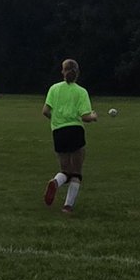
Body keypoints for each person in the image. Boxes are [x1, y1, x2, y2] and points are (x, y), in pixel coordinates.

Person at [43, 59, 98, 214]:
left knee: (65, 170)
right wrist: (93, 116)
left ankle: (55, 181)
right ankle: (67, 206)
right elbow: (85, 117)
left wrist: (56, 120)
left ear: (63, 71)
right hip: (75, 131)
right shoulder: (81, 91)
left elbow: (45, 111)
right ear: (77, 72)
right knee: (76, 172)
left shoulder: (54, 89)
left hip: (58, 132)